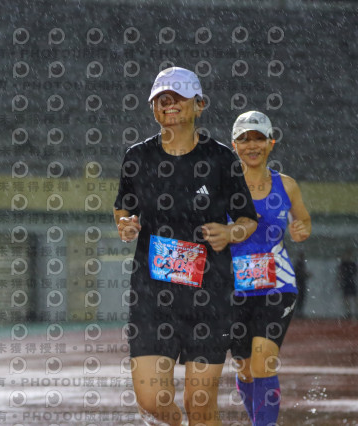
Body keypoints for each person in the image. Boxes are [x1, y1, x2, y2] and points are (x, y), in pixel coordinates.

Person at [113, 67, 258, 426]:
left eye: (178, 96)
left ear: (199, 104)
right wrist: (126, 223)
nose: (169, 103)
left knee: (200, 405)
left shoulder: (221, 159)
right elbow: (124, 207)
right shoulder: (137, 157)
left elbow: (247, 219)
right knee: (151, 401)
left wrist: (231, 233)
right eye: (161, 98)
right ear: (153, 107)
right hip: (152, 295)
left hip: (209, 295)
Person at [228, 111, 311, 425]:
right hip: (233, 289)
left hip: (277, 285)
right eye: (244, 139)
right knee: (246, 369)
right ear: (234, 145)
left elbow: (303, 220)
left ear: (270, 143)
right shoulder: (221, 187)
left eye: (259, 138)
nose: (252, 145)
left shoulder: (286, 186)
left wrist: (301, 229)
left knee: (263, 363)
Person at [337, 247, 358, 319]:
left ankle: (356, 313)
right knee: (346, 298)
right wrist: (339, 281)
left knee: (354, 298)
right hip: (346, 281)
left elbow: (357, 274)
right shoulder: (343, 264)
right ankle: (349, 313)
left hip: (351, 281)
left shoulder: (353, 264)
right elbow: (340, 274)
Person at [293, 250, 311, 317]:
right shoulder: (299, 263)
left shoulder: (299, 263)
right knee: (300, 298)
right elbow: (299, 273)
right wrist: (305, 275)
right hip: (300, 283)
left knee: (300, 298)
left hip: (300, 283)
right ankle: (298, 312)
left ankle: (298, 312)